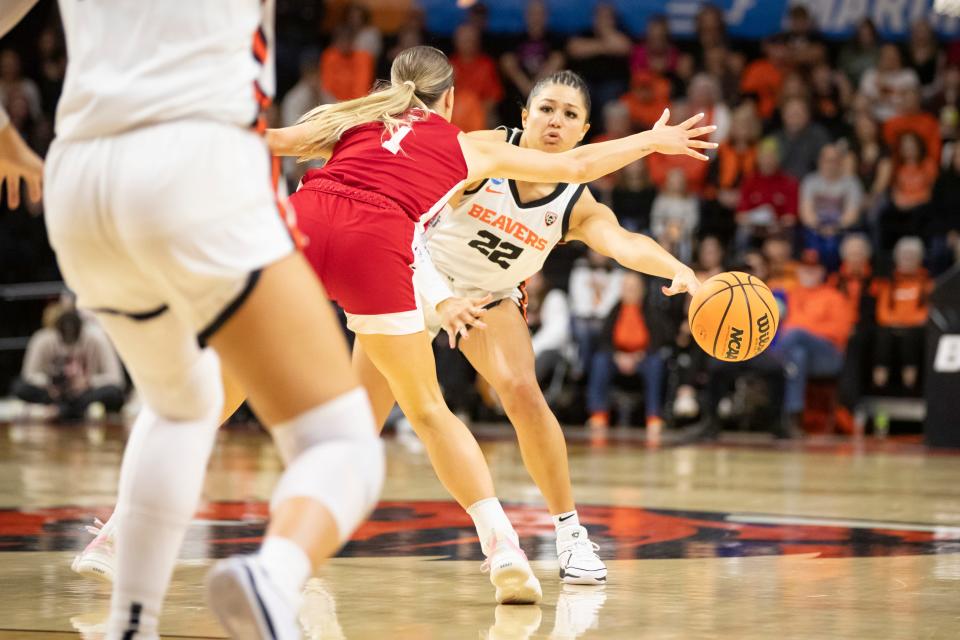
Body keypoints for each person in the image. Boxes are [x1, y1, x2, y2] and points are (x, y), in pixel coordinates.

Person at [271, 54, 715, 597]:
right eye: (546, 109)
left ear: (585, 130)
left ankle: (570, 531)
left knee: (524, 392)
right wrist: (439, 303)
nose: (556, 122)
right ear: (523, 115)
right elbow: (407, 226)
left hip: (490, 295)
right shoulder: (476, 151)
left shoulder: (577, 202)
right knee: (361, 424)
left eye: (570, 115)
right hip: (410, 271)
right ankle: (314, 536)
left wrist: (678, 269)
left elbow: (623, 243)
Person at [24, 1, 388, 638]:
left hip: (78, 173)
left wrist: (4, 132)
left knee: (180, 403)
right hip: (193, 156)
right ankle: (272, 581)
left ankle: (130, 622)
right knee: (342, 441)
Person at [771, 249, 854, 432]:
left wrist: (804, 330)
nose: (809, 273)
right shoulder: (790, 294)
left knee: (796, 334)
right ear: (798, 270)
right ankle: (793, 419)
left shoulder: (834, 297)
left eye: (814, 269)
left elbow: (840, 332)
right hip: (796, 355)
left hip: (828, 356)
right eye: (805, 268)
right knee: (798, 356)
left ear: (822, 272)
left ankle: (772, 362)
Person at [12, 307, 125, 421]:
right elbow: (29, 375)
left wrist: (88, 382)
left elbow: (116, 379)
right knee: (19, 387)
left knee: (114, 394)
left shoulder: (97, 339)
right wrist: (49, 383)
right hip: (53, 393)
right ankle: (73, 410)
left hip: (86, 394)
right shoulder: (42, 339)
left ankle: (60, 410)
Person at [799, 144, 864, 271]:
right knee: (812, 246)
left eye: (835, 160)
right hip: (816, 228)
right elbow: (806, 212)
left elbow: (852, 214)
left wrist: (835, 227)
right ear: (820, 161)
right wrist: (820, 227)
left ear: (841, 162)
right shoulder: (810, 181)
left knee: (834, 245)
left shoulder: (852, 183)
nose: (831, 164)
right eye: (827, 160)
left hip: (842, 228)